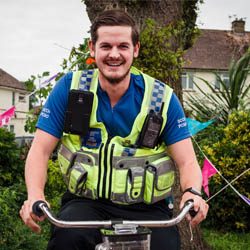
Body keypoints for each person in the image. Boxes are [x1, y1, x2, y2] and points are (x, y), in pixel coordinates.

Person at [20, 9, 208, 250]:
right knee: (66, 240)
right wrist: (35, 194)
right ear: (92, 48)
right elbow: (40, 151)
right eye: (106, 46)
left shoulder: (162, 99)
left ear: (136, 50)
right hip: (86, 203)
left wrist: (192, 193)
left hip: (148, 209)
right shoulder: (69, 89)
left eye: (123, 46)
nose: (114, 54)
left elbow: (187, 162)